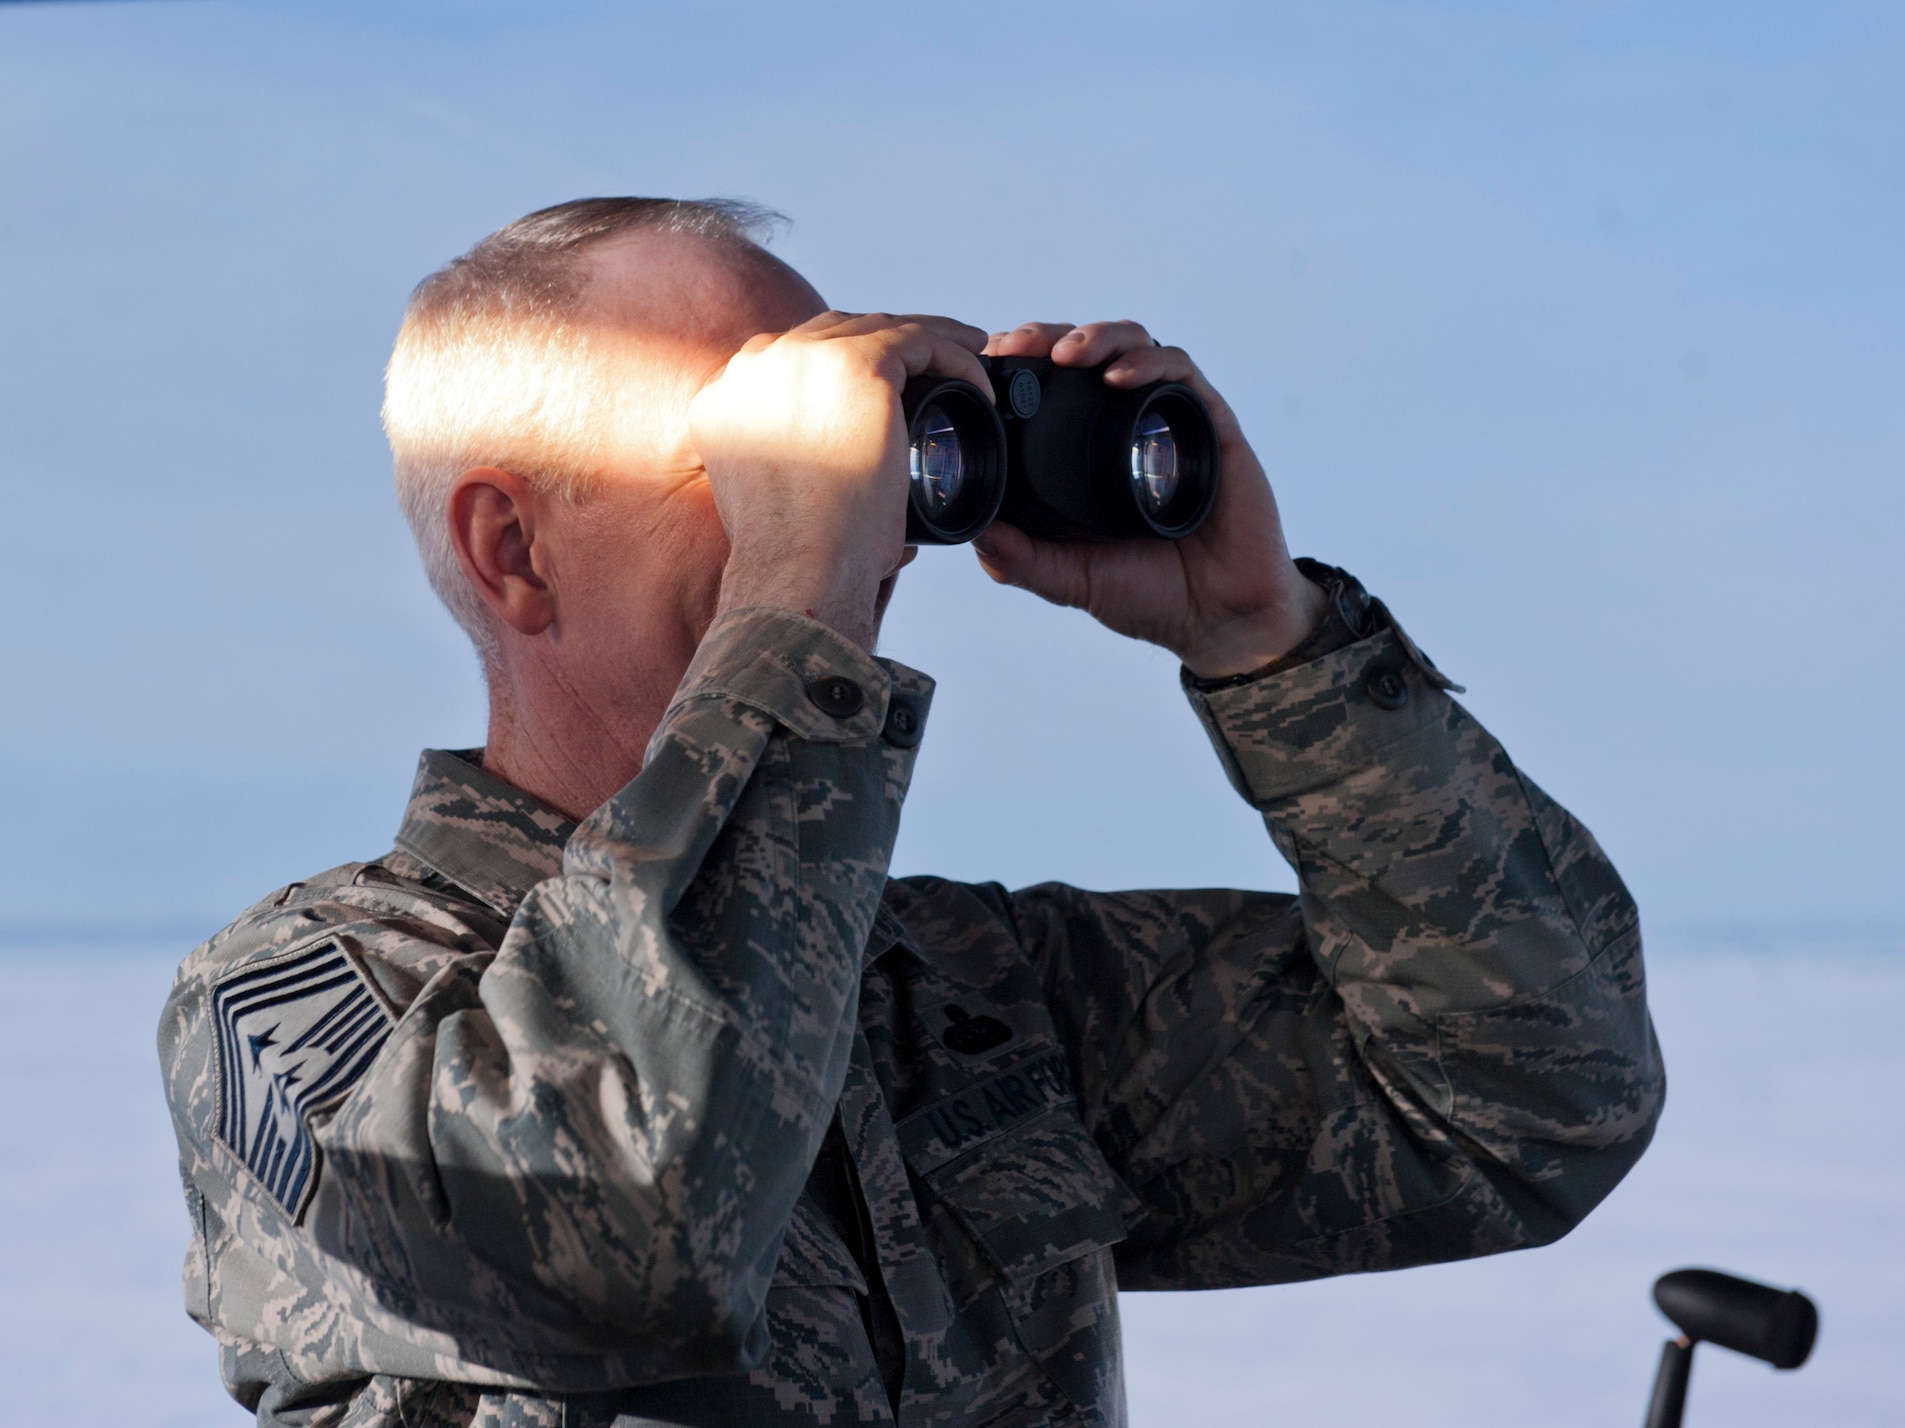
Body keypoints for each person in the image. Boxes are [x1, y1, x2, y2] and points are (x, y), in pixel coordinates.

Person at [158, 197, 1665, 1428]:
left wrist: (1270, 643)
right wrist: (796, 597)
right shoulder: (303, 1010)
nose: (865, 512)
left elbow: (1533, 1098)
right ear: (515, 551)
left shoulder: (965, 997)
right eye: (761, 458)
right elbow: (617, 1245)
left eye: (870, 454)